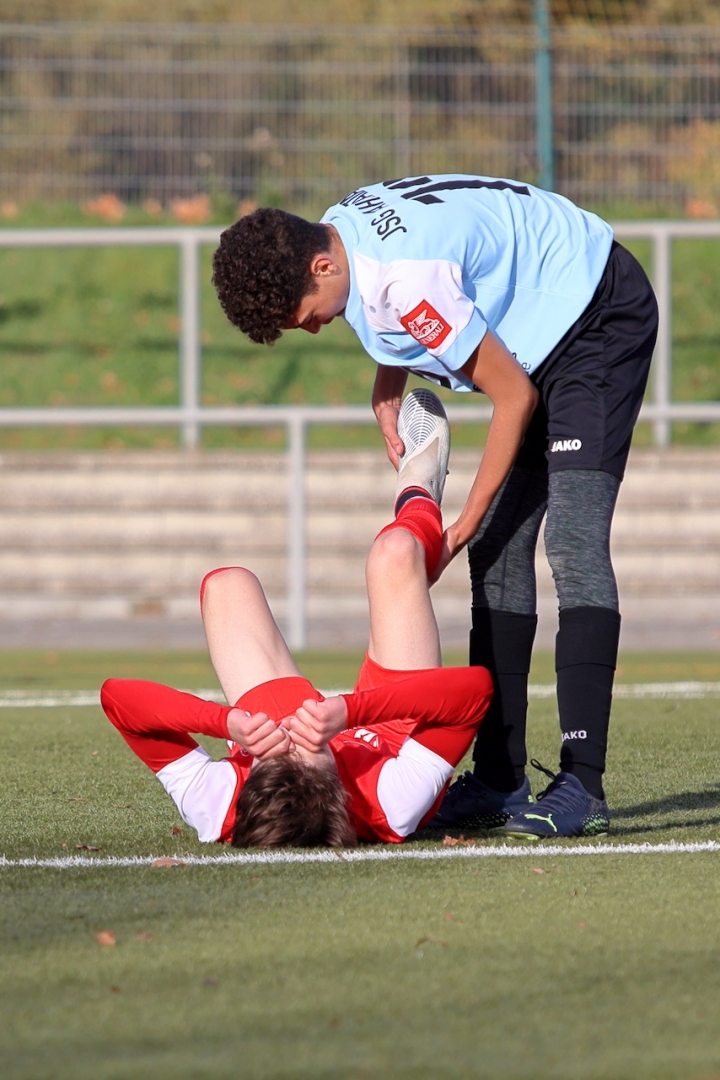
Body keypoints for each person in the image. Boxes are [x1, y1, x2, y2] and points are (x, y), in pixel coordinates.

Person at [211, 173, 658, 839]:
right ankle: (500, 779)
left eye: (304, 314)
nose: (310, 328)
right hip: (540, 330)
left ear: (321, 265)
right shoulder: (339, 226)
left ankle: (583, 786)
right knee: (500, 555)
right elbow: (402, 286)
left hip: (596, 315)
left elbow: (512, 396)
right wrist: (387, 377)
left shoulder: (404, 281)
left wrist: (460, 526)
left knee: (571, 540)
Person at [101, 390, 493, 848]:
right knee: (395, 553)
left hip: (275, 727)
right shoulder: (392, 801)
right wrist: (350, 712)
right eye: (304, 750)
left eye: (274, 753)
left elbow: (118, 699)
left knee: (227, 584)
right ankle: (418, 489)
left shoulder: (219, 804)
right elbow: (473, 691)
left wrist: (228, 724)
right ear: (339, 792)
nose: (290, 738)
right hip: (387, 735)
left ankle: (407, 581)